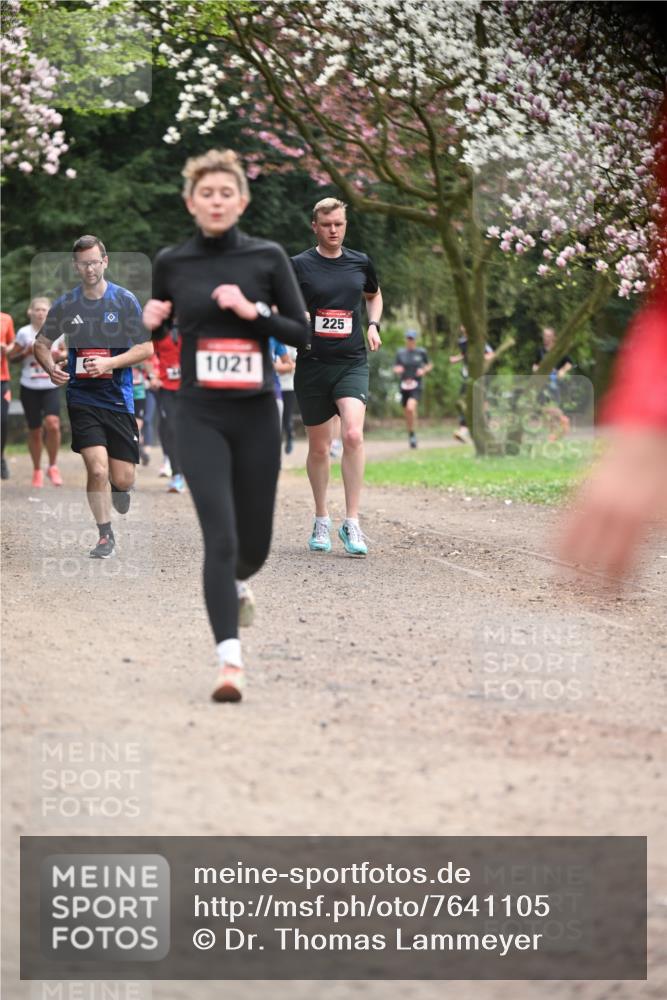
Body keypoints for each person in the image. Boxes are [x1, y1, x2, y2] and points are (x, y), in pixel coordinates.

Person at [143, 149, 309, 703]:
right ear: (190, 202)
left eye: (225, 193)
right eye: (206, 194)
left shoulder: (267, 257)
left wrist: (251, 312)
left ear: (242, 200)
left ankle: (240, 581)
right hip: (198, 413)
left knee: (253, 546)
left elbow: (302, 332)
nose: (216, 202)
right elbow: (159, 326)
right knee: (220, 536)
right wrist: (150, 321)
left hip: (256, 412)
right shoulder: (173, 262)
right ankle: (229, 663)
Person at [33, 234, 153, 558]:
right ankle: (104, 536)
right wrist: (50, 368)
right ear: (76, 266)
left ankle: (120, 487)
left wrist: (109, 363)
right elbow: (41, 344)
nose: (90, 268)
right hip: (82, 397)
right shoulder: (67, 304)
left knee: (122, 478)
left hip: (118, 398)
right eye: (83, 263)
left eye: (95, 262)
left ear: (105, 262)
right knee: (97, 469)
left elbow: (146, 347)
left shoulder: (124, 300)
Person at [291, 197, 383, 556]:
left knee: (353, 435)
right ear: (315, 226)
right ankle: (321, 518)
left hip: (351, 361)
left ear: (345, 225)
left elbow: (373, 295)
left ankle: (352, 522)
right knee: (318, 447)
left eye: (339, 224)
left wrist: (373, 324)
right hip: (313, 364)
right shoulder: (299, 265)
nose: (334, 230)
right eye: (327, 224)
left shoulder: (360, 262)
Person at [9, 297, 65, 487]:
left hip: (50, 385)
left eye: (44, 310)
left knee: (53, 424)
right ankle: (37, 470)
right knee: (35, 430)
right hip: (29, 386)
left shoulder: (57, 331)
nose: (41, 313)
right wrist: (25, 353)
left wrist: (60, 355)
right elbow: (11, 357)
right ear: (30, 312)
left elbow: (66, 353)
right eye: (37, 309)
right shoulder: (24, 333)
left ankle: (53, 466)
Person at [152, 321, 184, 493]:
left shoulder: (192, 325)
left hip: (189, 387)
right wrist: (153, 375)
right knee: (171, 429)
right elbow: (149, 354)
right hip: (166, 387)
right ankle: (176, 475)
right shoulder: (159, 330)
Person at [449, 326, 495, 443]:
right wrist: (457, 359)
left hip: (480, 376)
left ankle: (486, 426)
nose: (463, 328)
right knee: (465, 401)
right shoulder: (462, 342)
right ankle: (464, 429)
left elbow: (491, 354)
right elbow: (465, 355)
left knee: (482, 403)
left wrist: (481, 358)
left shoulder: (478, 341)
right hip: (467, 377)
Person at [393, 329, 433, 448]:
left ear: (415, 340)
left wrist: (424, 370)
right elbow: (395, 367)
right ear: (406, 339)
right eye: (408, 338)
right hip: (404, 385)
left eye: (412, 339)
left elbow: (429, 365)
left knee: (411, 408)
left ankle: (413, 433)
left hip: (417, 385)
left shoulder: (421, 352)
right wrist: (397, 370)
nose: (410, 341)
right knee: (407, 412)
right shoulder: (401, 353)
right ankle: (411, 434)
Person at [1, 310, 16, 480]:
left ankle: (1, 457)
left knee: (3, 420)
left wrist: (6, 349)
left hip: (2, 379)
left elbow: (12, 344)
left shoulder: (6, 319)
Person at [278, 344, 298, 454]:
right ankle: (278, 443)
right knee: (277, 417)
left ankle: (290, 437)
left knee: (286, 417)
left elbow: (294, 364)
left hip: (288, 386)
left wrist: (280, 367)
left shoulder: (290, 345)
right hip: (274, 387)